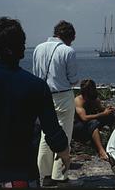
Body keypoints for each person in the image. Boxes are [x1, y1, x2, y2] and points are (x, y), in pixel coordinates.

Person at [0, 17, 70, 187]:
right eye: (22, 42)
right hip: (20, 174)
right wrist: (64, 154)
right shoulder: (36, 86)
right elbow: (53, 133)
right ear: (16, 49)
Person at [33, 20, 79, 186]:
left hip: (43, 95)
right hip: (62, 95)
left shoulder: (38, 48)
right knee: (64, 134)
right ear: (69, 37)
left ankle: (43, 175)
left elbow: (35, 75)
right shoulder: (68, 51)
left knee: (46, 134)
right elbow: (73, 79)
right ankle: (60, 175)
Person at [72, 79, 115, 160]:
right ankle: (101, 151)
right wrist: (103, 114)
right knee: (93, 123)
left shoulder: (94, 98)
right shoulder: (78, 100)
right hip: (78, 126)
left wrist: (109, 110)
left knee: (111, 116)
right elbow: (84, 118)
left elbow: (101, 109)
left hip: (92, 123)